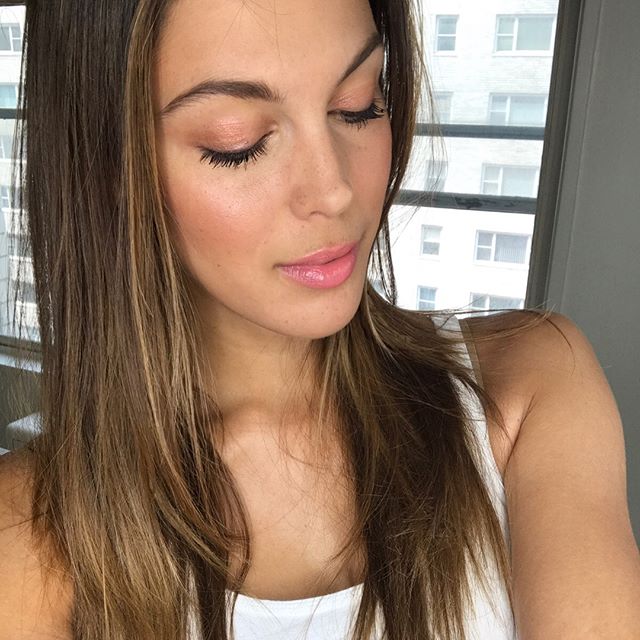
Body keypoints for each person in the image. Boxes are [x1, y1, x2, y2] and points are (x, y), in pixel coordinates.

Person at [1, 0, 639, 638]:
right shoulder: (27, 530)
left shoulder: (526, 386)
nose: (333, 190)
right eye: (238, 144)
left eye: (358, 104)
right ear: (107, 170)